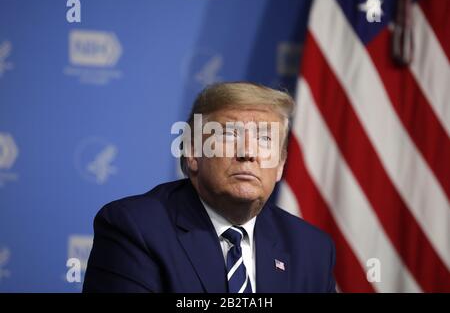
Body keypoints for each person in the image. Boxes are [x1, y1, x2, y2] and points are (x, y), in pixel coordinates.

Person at [83, 82, 336, 293]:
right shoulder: (136, 228)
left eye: (264, 138)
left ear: (280, 164)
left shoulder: (311, 249)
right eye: (228, 135)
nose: (248, 152)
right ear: (193, 153)